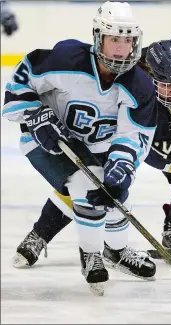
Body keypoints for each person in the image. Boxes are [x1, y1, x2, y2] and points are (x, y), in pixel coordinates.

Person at [9, 16, 171, 270]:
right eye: (165, 86)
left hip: (170, 128)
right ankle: (40, 234)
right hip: (123, 128)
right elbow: (153, 150)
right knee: (93, 182)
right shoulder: (140, 95)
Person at [2, 1, 158, 295]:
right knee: (86, 184)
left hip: (94, 148)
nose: (121, 49)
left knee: (111, 195)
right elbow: (20, 83)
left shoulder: (139, 85)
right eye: (114, 39)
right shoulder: (67, 58)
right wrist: (35, 116)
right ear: (98, 37)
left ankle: (116, 251)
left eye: (128, 40)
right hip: (46, 139)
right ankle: (91, 254)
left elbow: (131, 137)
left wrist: (121, 172)